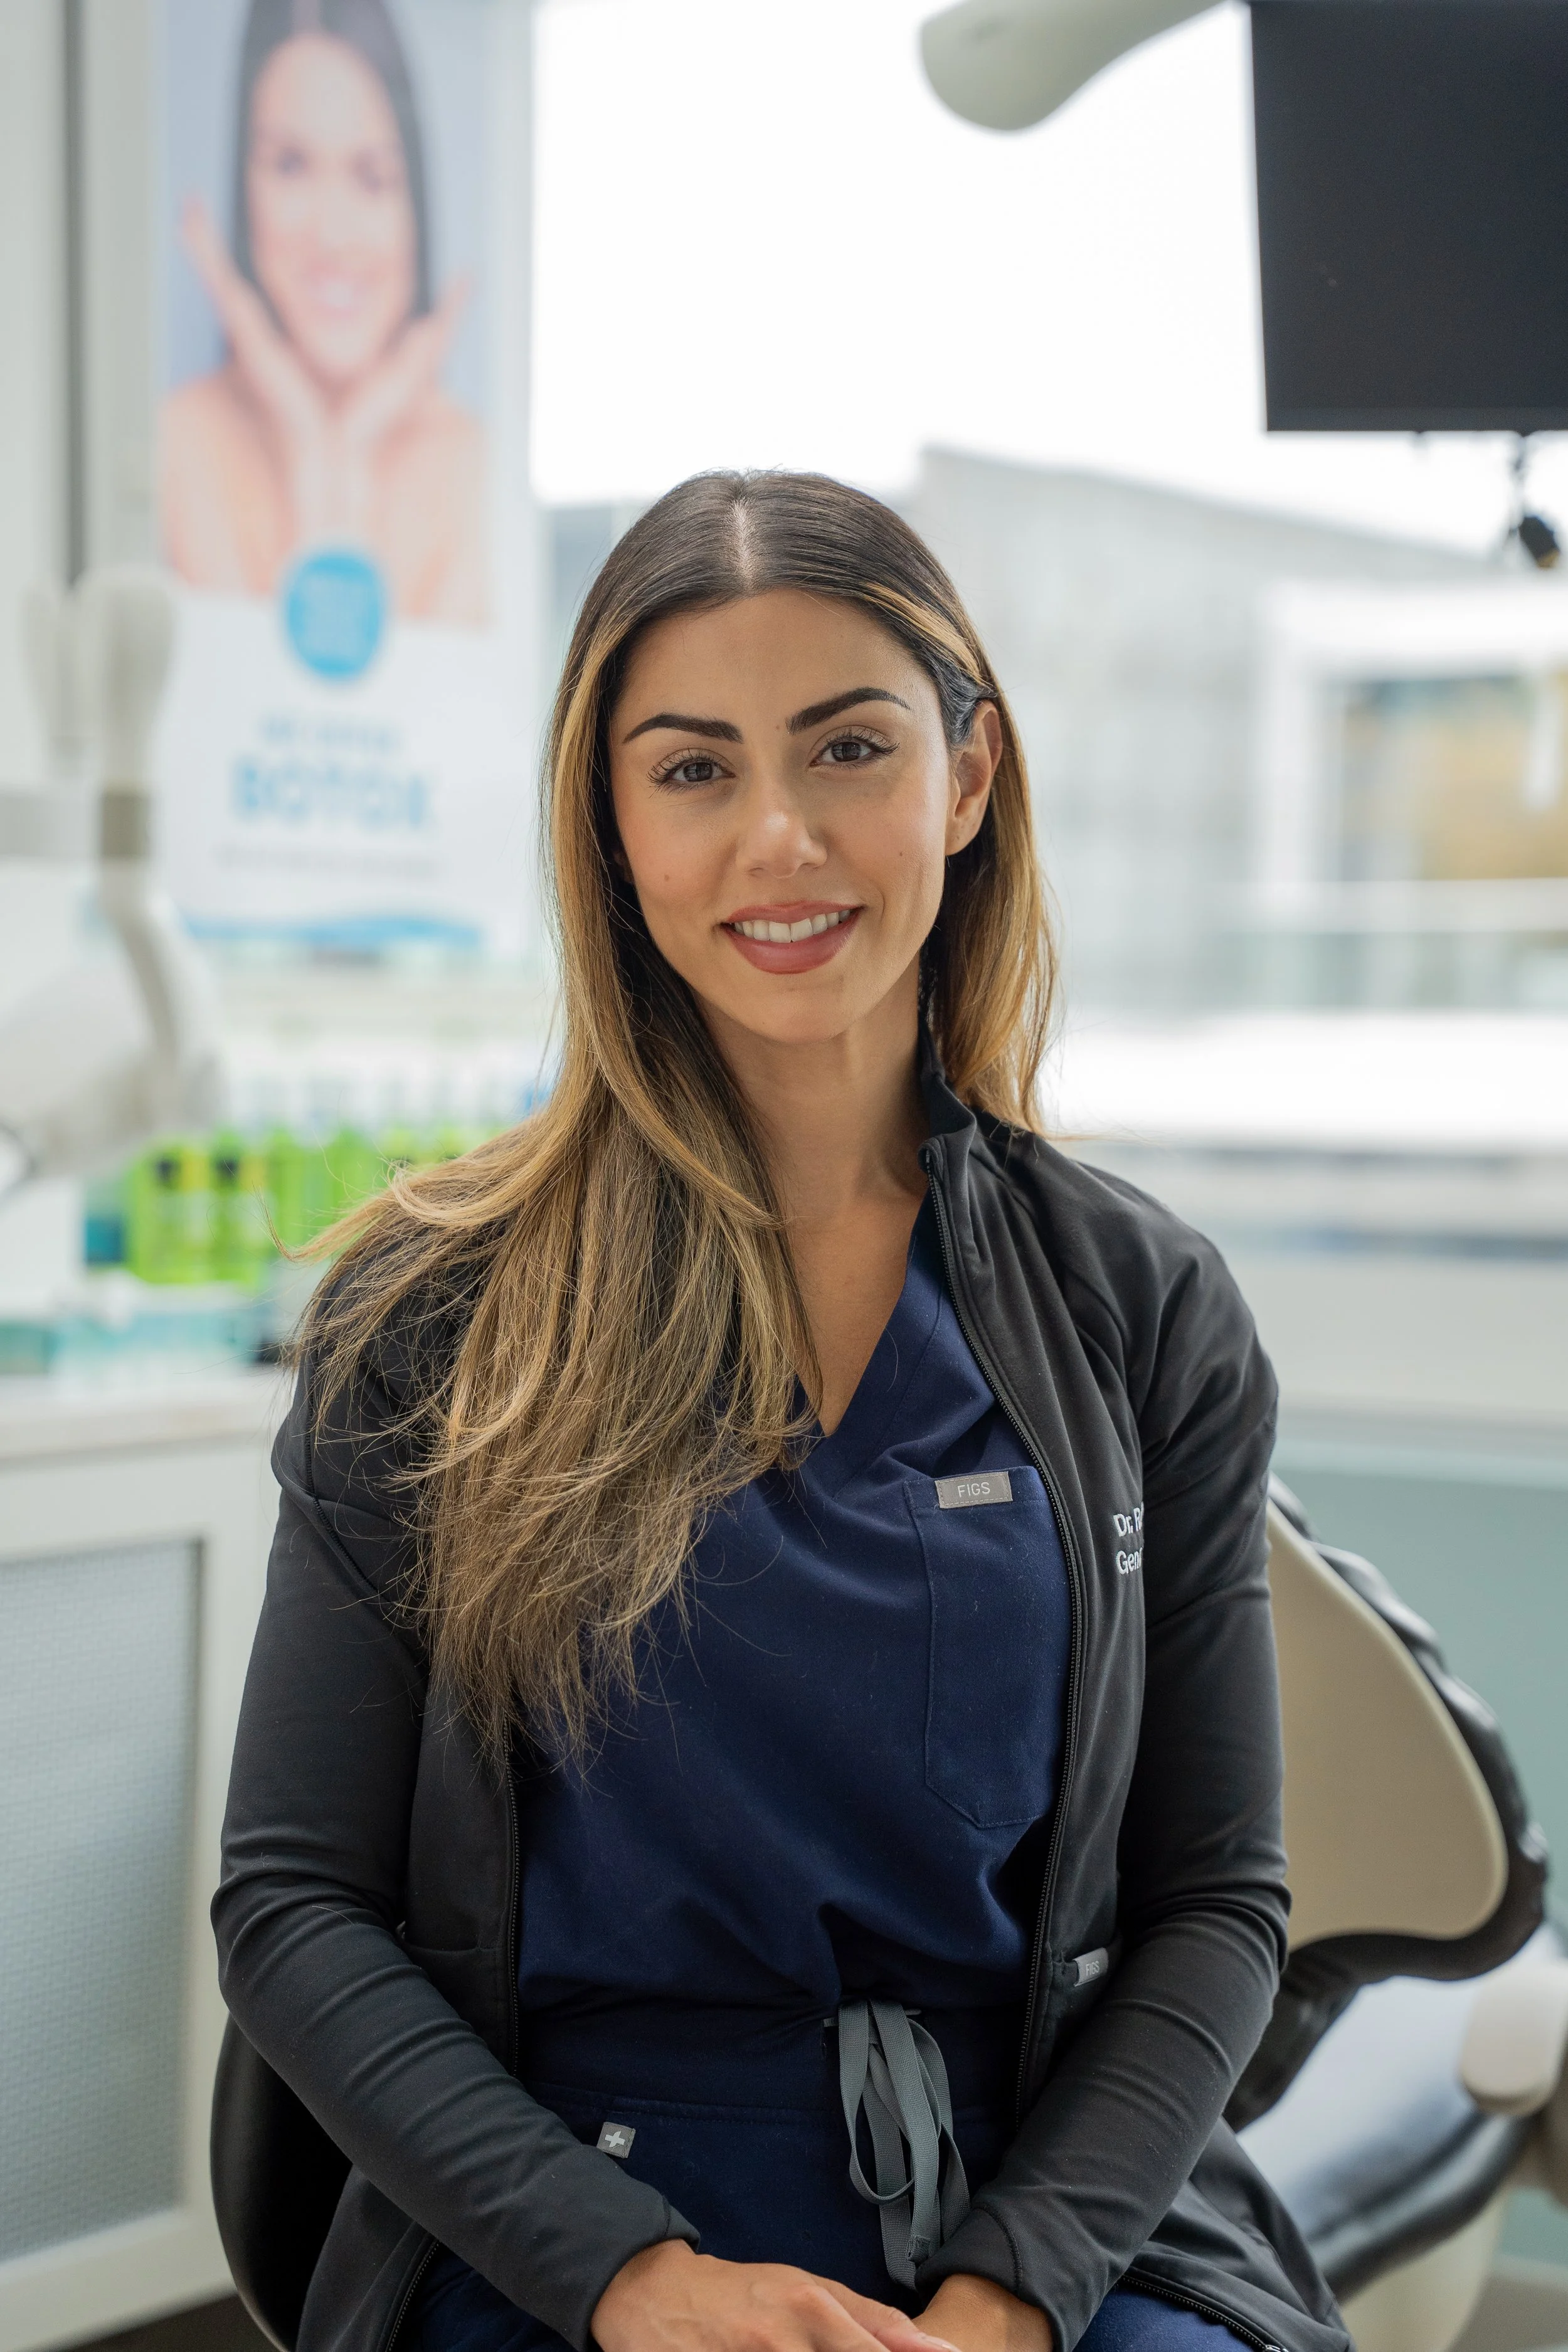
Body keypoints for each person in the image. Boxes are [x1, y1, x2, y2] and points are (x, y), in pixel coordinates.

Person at [214, 471, 1348, 2352]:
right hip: (559, 2217)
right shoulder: (430, 1311)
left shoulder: (1141, 1312)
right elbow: (296, 1907)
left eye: (845, 748)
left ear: (964, 781)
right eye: (688, 768)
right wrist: (628, 2278)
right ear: (609, 822)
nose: (777, 836)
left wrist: (1008, 2294)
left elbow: (1213, 1899)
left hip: (1034, 2201)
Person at [160, 0, 486, 625]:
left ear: (413, 198)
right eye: (291, 165)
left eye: (371, 177)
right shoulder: (182, 439)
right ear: (243, 183)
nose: (333, 234)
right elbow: (268, 709)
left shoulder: (470, 464)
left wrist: (347, 447)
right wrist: (315, 449)